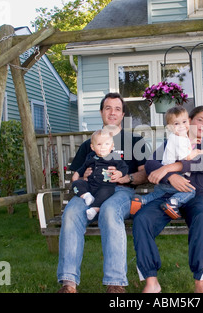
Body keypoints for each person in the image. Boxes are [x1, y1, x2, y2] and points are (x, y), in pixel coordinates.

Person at [57, 93, 148, 293]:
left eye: (117, 108)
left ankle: (115, 283)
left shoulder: (135, 141)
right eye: (108, 108)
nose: (112, 112)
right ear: (101, 112)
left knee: (109, 211)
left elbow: (145, 175)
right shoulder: (89, 144)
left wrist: (125, 178)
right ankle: (68, 284)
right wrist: (83, 177)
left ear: (123, 114)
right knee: (71, 213)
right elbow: (76, 177)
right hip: (90, 191)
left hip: (121, 192)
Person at [132, 106, 203, 293]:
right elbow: (151, 164)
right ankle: (151, 281)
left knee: (202, 220)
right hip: (168, 195)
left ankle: (200, 284)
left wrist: (168, 168)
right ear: (189, 121)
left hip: (198, 195)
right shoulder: (172, 142)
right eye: (199, 120)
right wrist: (171, 177)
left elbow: (202, 164)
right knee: (141, 220)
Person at [130, 106, 203, 219]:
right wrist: (197, 152)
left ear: (189, 121)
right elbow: (184, 158)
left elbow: (183, 147)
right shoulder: (179, 139)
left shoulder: (177, 137)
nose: (181, 126)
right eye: (176, 124)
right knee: (190, 191)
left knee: (158, 194)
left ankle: (141, 200)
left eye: (184, 122)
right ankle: (173, 203)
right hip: (174, 176)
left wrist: (192, 141)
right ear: (170, 128)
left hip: (164, 179)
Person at [71, 129, 129, 221]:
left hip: (105, 185)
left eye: (106, 144)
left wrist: (119, 173)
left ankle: (95, 209)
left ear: (112, 146)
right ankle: (86, 196)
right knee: (76, 184)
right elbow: (83, 167)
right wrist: (77, 174)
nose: (103, 147)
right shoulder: (91, 157)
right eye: (99, 144)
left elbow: (124, 167)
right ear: (93, 147)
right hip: (90, 185)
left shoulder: (114, 157)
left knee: (106, 192)